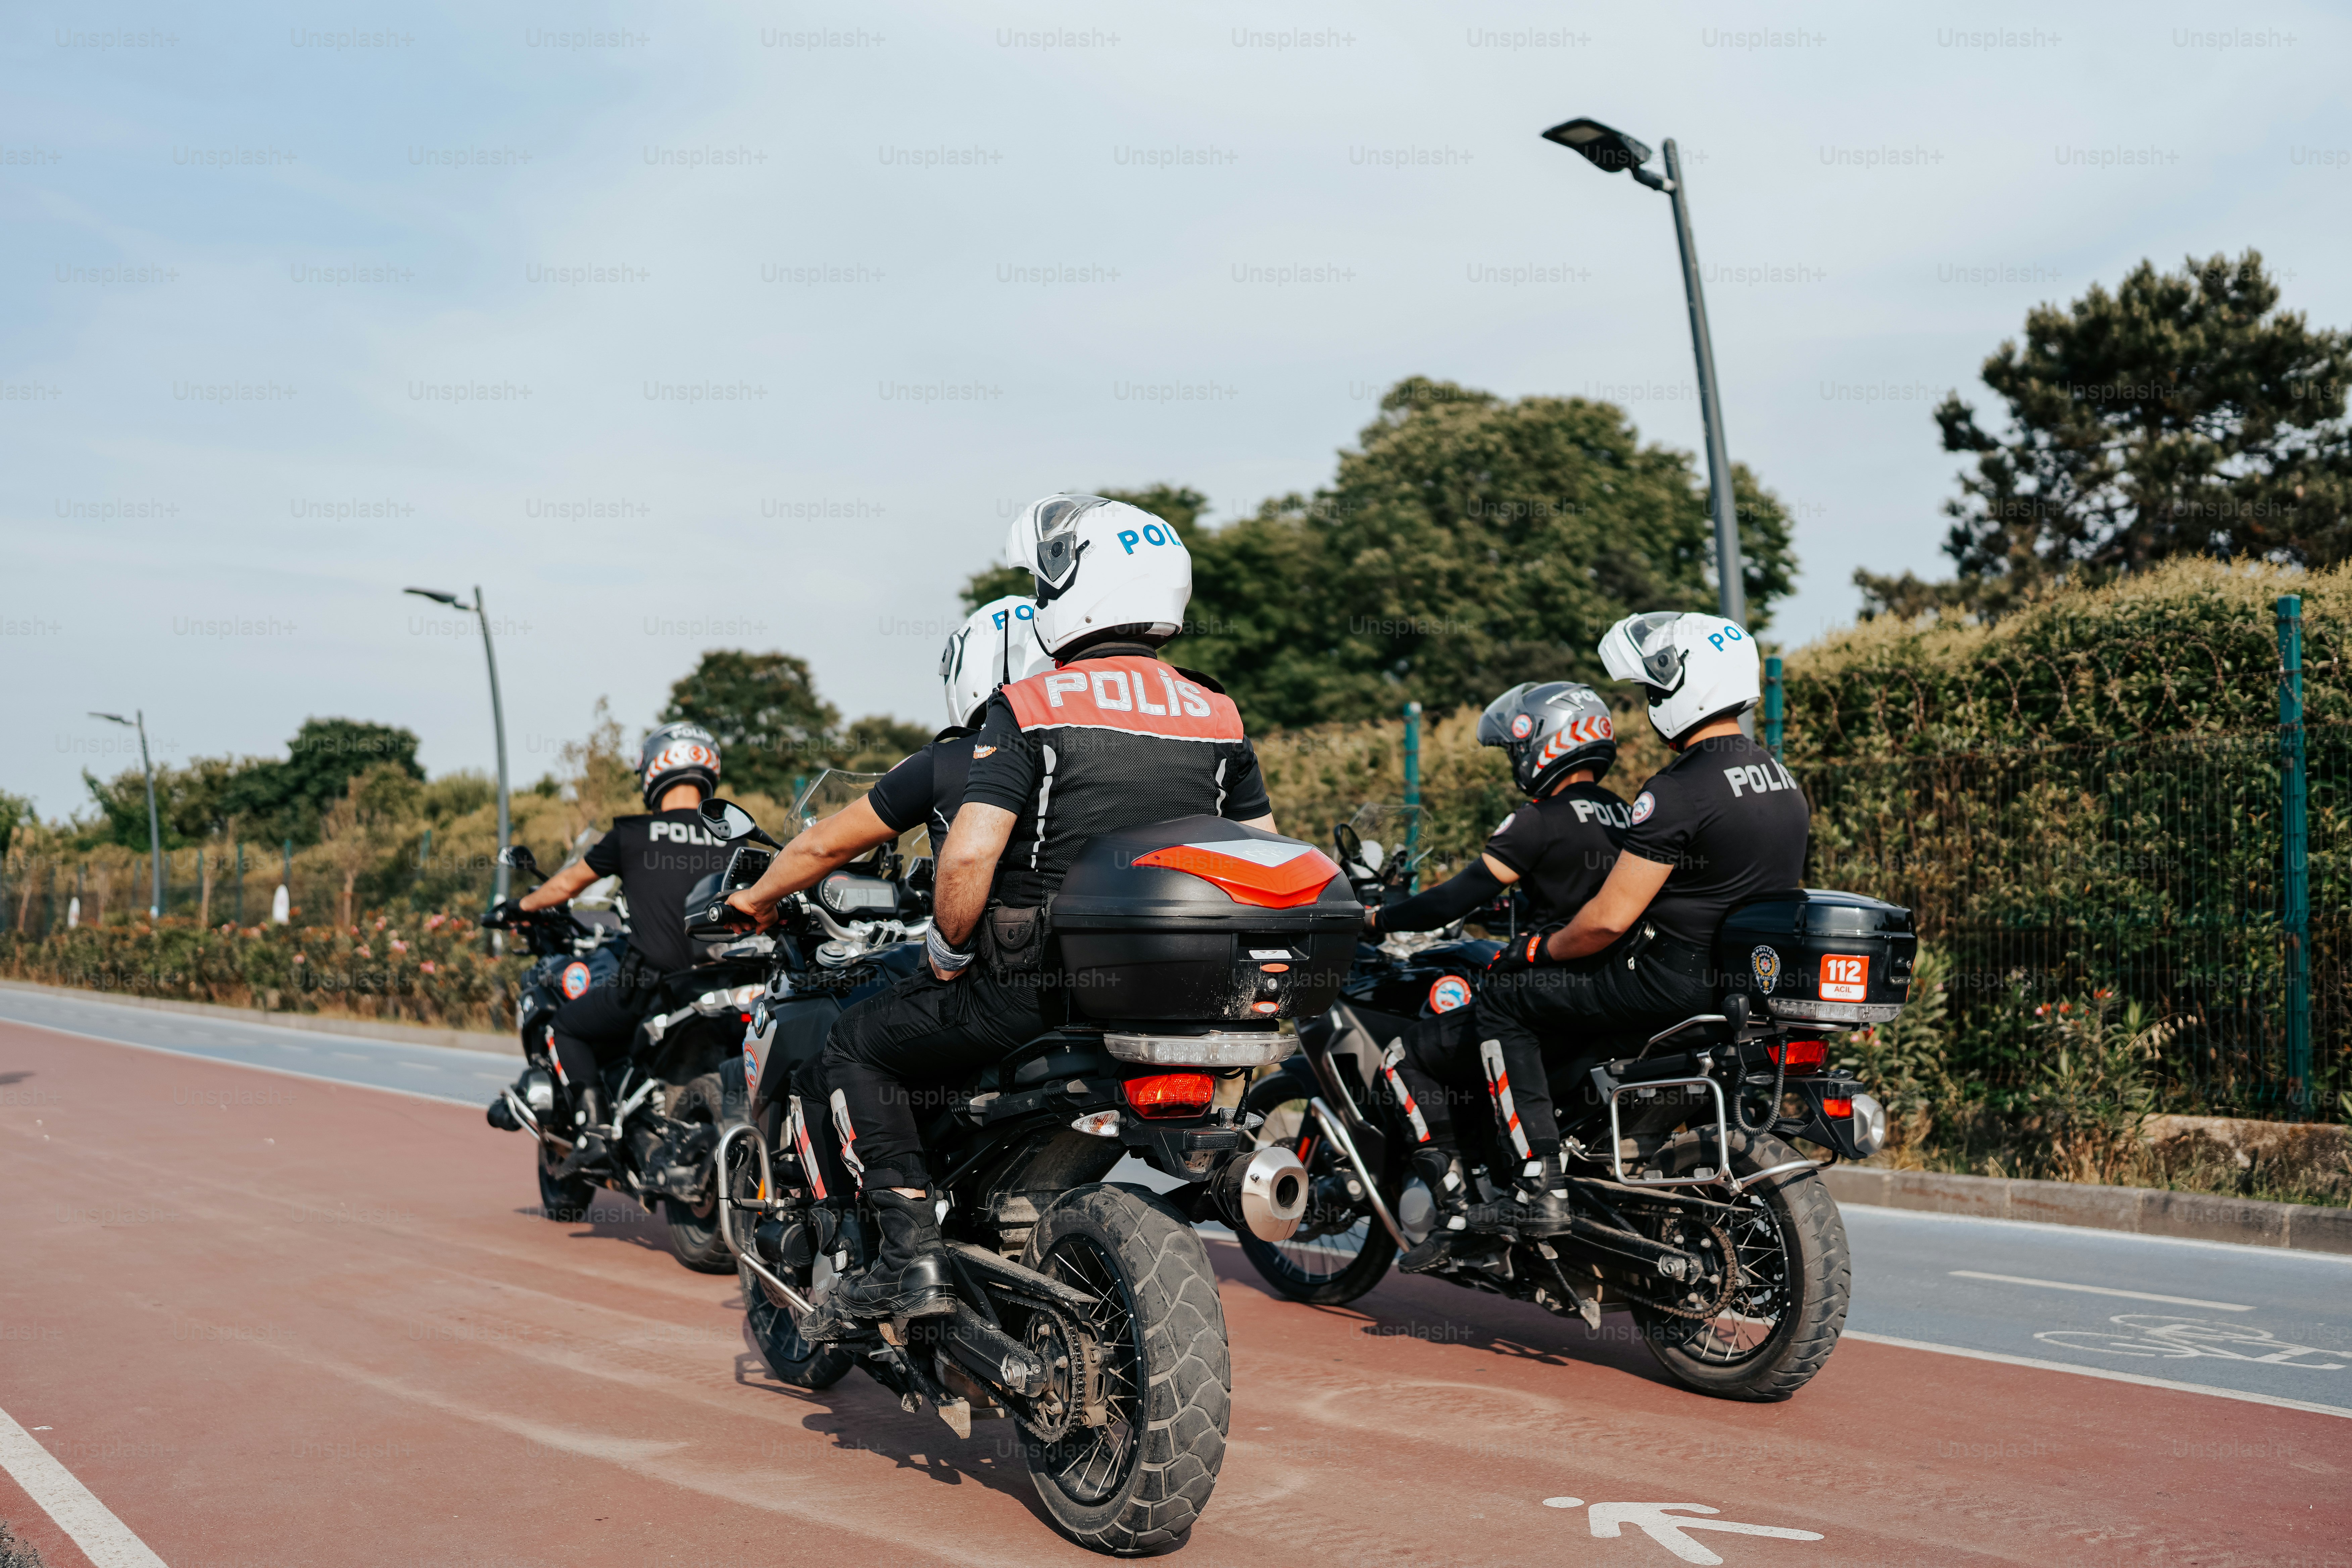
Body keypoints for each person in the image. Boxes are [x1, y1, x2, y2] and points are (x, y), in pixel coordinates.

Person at [803, 494, 1278, 1336]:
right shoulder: (1219, 711)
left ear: (1078, 585)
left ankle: (907, 1257)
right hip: (1176, 996)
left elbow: (971, 855)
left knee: (855, 1042)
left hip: (1036, 990)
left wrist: (949, 953)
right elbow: (1262, 857)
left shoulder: (1032, 704)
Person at [1428, 611, 1807, 1261]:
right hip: (1738, 985)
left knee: (1506, 998)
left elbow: (1607, 919)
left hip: (1668, 980)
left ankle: (1536, 1180)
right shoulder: (1781, 779)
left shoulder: (1681, 789)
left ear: (1688, 687)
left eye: (1655, 691)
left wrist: (1534, 949)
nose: (1653, 704)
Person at [721, 595, 1053, 1205]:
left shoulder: (952, 760)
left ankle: (899, 1247)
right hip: (1086, 991)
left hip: (995, 991)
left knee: (841, 1054)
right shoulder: (1088, 757)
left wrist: (756, 898)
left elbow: (821, 847)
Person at [1372, 682, 1629, 1268]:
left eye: (1518, 750)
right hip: (1614, 991)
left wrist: (1377, 917)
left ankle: (1461, 1211)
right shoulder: (1626, 813)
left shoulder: (1538, 822)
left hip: (1549, 991)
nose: (1516, 763)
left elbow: (1451, 899)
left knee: (1406, 1057)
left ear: (1542, 743)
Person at [503, 722, 733, 1175]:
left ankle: (595, 1132)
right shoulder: (736, 835)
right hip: (731, 979)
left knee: (566, 1027)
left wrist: (519, 907)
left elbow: (567, 885)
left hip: (654, 981)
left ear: (653, 771)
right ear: (709, 770)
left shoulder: (632, 834)